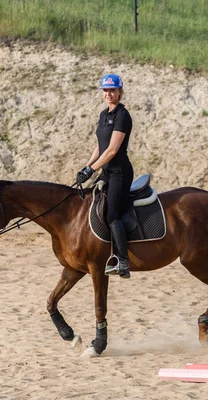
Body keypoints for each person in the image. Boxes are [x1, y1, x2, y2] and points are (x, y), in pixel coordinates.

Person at [76, 73, 134, 279]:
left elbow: (111, 151)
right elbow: (100, 147)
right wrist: (86, 166)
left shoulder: (122, 116)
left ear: (120, 91)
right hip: (106, 171)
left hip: (120, 172)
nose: (108, 94)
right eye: (105, 90)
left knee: (111, 215)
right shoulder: (104, 115)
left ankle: (123, 261)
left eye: (112, 90)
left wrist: (92, 170)